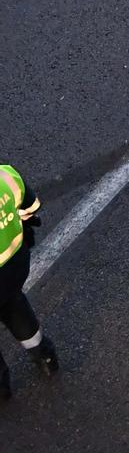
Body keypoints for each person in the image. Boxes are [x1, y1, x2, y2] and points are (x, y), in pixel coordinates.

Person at [0, 163, 59, 400]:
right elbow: (31, 206)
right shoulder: (5, 175)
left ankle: (1, 388)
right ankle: (44, 356)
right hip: (14, 266)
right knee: (15, 307)